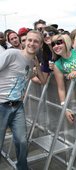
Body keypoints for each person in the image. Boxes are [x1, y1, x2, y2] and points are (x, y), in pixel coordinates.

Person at [0, 30, 45, 170]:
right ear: (24, 41)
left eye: (36, 41)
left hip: (18, 107)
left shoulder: (31, 62)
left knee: (22, 141)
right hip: (1, 105)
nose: (32, 43)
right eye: (29, 40)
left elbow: (42, 80)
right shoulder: (11, 54)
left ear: (40, 44)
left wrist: (37, 63)